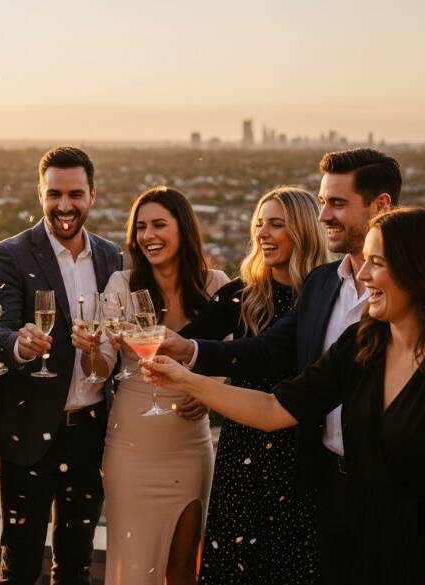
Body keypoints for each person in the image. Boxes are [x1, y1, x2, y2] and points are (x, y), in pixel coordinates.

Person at [144, 207, 425, 585]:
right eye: (364, 261)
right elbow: (273, 409)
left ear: (418, 272)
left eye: (376, 263)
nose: (363, 276)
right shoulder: (364, 343)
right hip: (367, 550)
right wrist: (185, 380)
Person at [161, 148, 401, 584]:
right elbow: (265, 353)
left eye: (336, 203)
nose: (324, 212)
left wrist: (193, 372)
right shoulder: (324, 286)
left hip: (355, 480)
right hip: (311, 468)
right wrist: (189, 360)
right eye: (323, 202)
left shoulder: (397, 298)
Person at [0, 146, 123, 585]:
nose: (65, 206)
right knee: (21, 564)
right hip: (28, 430)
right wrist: (21, 346)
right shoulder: (10, 254)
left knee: (76, 563)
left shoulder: (110, 257)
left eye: (75, 194)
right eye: (54, 194)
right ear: (39, 194)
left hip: (91, 428)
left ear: (92, 195)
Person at [177, 187, 328, 584]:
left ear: (305, 232)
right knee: (234, 563)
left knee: (289, 565)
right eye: (260, 224)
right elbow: (191, 342)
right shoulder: (241, 295)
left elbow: (264, 354)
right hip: (242, 450)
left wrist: (206, 377)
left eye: (277, 224)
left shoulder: (324, 297)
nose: (263, 233)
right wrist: (204, 386)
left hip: (300, 452)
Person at [81, 186, 228, 584]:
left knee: (183, 570)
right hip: (131, 447)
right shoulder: (121, 285)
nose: (149, 235)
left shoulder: (217, 286)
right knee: (133, 570)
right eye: (141, 227)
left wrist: (208, 390)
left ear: (184, 229)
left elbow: (233, 359)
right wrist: (90, 349)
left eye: (160, 224)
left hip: (189, 446)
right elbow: (101, 367)